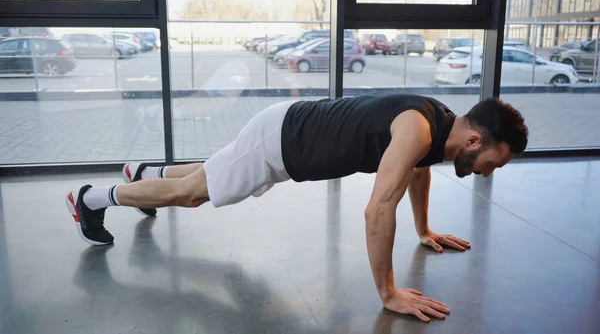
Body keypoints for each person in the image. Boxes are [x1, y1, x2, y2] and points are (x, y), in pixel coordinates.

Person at [65, 93, 528, 322]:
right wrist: (388, 294)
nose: (490, 171)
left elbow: (419, 170)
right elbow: (376, 212)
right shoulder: (419, 129)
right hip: (279, 144)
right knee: (191, 194)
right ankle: (89, 199)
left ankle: (142, 173)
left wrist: (425, 229)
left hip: (289, 132)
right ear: (474, 140)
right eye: (494, 161)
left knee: (207, 174)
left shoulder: (438, 124)